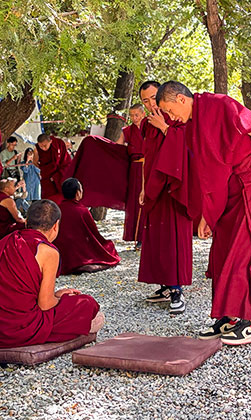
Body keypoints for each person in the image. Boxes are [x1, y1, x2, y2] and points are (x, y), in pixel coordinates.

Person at [156, 81, 251, 345]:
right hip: (227, 192)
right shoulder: (190, 126)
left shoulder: (219, 105)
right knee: (222, 252)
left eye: (169, 110)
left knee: (245, 251)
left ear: (180, 98)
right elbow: (207, 173)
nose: (170, 117)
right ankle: (228, 316)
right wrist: (206, 215)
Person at [0, 200, 103, 348]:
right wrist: (62, 298)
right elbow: (45, 304)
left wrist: (56, 294)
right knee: (88, 305)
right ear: (56, 226)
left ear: (27, 221)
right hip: (21, 328)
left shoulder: (7, 241)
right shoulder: (48, 251)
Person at [138, 81, 192, 315]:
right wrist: (143, 187)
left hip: (173, 188)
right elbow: (147, 158)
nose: (150, 104)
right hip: (153, 186)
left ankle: (177, 290)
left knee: (173, 238)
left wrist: (164, 128)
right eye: (145, 101)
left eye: (152, 98)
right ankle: (164, 286)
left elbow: (188, 148)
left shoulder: (177, 118)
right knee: (157, 237)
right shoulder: (147, 124)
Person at [53, 178, 120, 275]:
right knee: (109, 247)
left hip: (61, 252)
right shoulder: (82, 210)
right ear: (77, 193)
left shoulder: (57, 209)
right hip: (78, 251)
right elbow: (94, 235)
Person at [118, 103, 146, 245]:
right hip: (134, 168)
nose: (134, 118)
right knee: (134, 201)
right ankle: (136, 236)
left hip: (148, 166)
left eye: (137, 115)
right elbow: (117, 147)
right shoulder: (127, 131)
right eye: (131, 115)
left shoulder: (151, 129)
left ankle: (148, 235)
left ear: (143, 114)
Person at [34, 134, 72, 202]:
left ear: (50, 141)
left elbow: (65, 162)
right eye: (41, 146)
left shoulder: (58, 144)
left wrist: (56, 176)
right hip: (47, 178)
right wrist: (44, 170)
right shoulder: (37, 149)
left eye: (45, 146)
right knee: (48, 199)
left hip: (59, 175)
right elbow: (35, 162)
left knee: (62, 198)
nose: (43, 148)